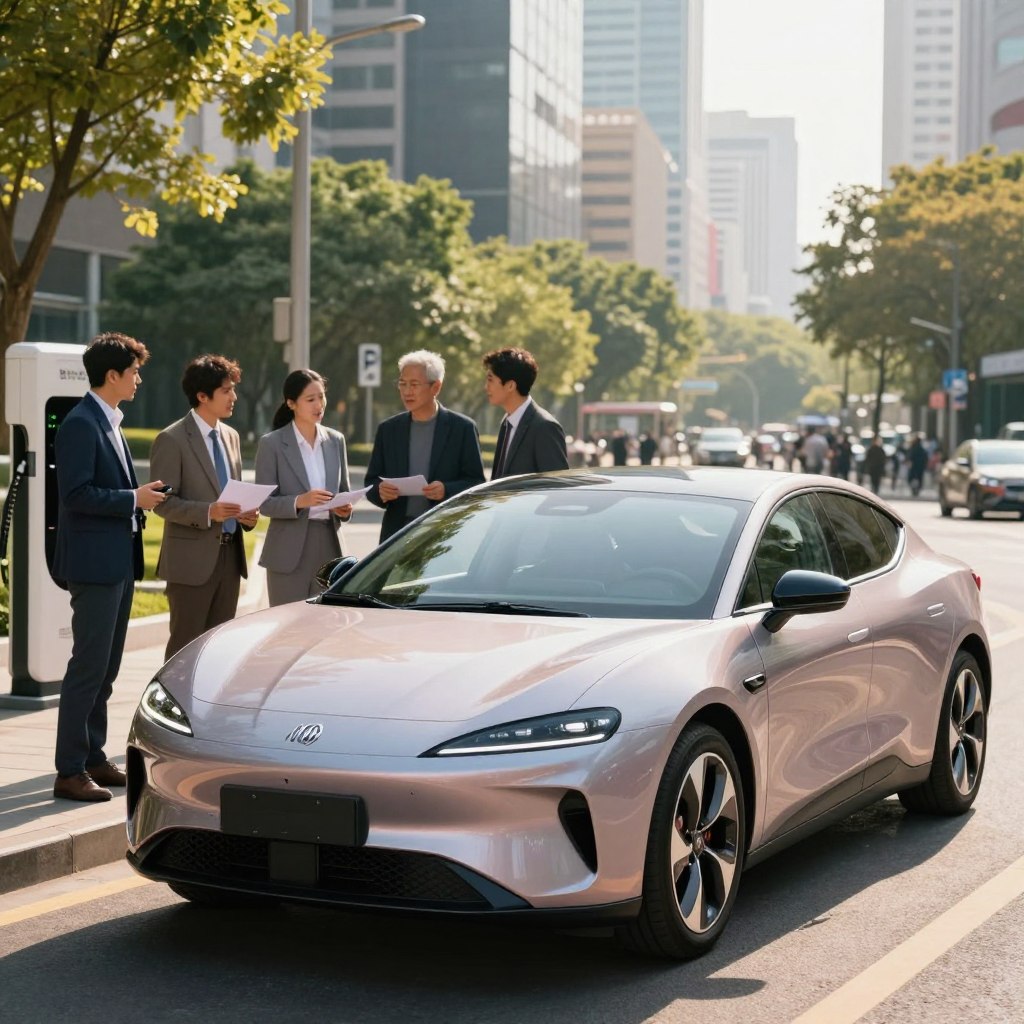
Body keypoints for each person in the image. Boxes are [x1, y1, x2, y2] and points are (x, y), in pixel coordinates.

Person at [52, 332, 168, 802]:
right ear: (112, 375)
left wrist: (138, 499)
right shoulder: (81, 423)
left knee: (107, 668)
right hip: (94, 565)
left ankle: (94, 756)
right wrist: (132, 499)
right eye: (135, 371)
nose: (139, 378)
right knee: (88, 666)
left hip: (117, 563)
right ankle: (69, 769)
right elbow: (75, 495)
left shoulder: (110, 421)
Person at [150, 355, 259, 660]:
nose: (233, 397)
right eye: (226, 390)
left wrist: (247, 516)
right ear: (202, 396)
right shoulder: (171, 439)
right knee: (185, 648)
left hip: (230, 558)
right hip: (190, 563)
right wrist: (209, 512)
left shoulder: (231, 437)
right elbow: (163, 503)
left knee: (219, 648)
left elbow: (234, 495)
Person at [255, 369, 353, 605]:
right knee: (287, 627)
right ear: (291, 403)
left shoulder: (336, 440)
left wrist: (345, 509)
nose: (319, 404)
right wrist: (300, 501)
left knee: (325, 626)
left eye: (321, 396)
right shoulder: (272, 444)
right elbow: (265, 503)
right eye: (310, 399)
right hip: (288, 550)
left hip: (329, 546)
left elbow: (344, 492)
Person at [366, 350, 485, 543]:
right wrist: (380, 491)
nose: (406, 391)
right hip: (397, 535)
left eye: (414, 384)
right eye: (402, 384)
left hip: (445, 534)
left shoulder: (462, 428)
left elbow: (476, 482)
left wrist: (446, 490)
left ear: (435, 387)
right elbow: (371, 482)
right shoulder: (388, 430)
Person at [484, 347, 569, 479]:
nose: (486, 387)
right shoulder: (507, 422)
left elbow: (557, 486)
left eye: (490, 380)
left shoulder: (545, 427)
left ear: (511, 386)